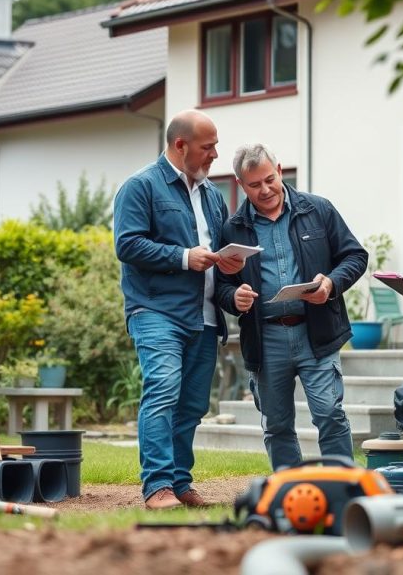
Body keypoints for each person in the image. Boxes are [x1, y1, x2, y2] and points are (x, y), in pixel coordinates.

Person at [113, 110, 245, 509]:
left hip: (205, 317)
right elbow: (128, 245)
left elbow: (215, 261)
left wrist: (230, 272)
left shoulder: (212, 196)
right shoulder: (140, 187)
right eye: (208, 147)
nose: (215, 155)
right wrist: (185, 257)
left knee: (191, 405)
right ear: (180, 145)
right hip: (155, 311)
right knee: (163, 392)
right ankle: (157, 487)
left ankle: (179, 482)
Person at [215, 143, 367, 471]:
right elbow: (221, 286)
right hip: (265, 338)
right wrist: (234, 298)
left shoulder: (318, 209)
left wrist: (330, 284)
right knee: (276, 424)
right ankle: (292, 492)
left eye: (270, 179)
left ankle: (341, 488)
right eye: (254, 185)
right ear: (241, 185)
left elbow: (355, 256)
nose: (266, 189)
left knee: (329, 414)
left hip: (317, 332)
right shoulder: (233, 228)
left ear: (280, 170)